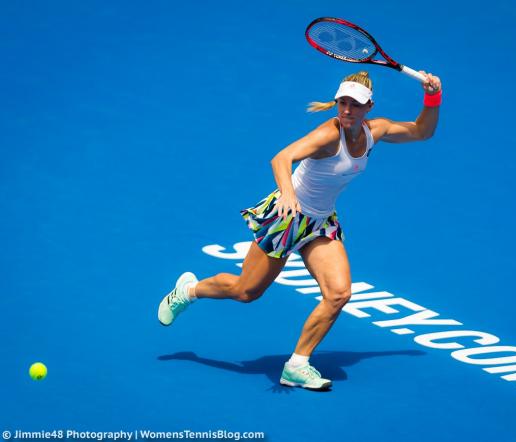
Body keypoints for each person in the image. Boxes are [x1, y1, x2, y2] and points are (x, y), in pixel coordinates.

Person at [158, 70, 442, 390]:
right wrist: (289, 195)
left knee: (339, 294)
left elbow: (421, 131)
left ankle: (297, 364)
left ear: (369, 107)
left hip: (320, 223)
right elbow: (282, 158)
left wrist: (432, 97)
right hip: (287, 218)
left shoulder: (377, 130)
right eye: (342, 103)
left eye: (355, 104)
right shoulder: (328, 135)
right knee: (246, 292)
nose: (347, 110)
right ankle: (189, 290)